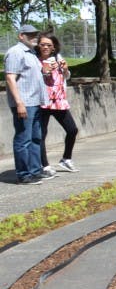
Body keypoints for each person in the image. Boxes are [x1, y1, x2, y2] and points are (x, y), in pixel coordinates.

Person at [5, 24, 51, 184]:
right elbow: (10, 78)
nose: (34, 38)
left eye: (35, 35)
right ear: (21, 36)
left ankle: (35, 170)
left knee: (35, 138)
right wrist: (19, 103)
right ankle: (24, 175)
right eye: (30, 35)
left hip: (35, 102)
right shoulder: (15, 52)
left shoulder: (31, 53)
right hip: (25, 103)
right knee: (23, 139)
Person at [36, 32, 80, 174]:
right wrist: (43, 72)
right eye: (42, 44)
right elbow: (33, 80)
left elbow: (66, 76)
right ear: (38, 46)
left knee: (72, 130)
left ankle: (66, 159)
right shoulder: (34, 60)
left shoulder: (58, 58)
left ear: (54, 47)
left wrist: (66, 69)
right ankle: (45, 165)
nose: (45, 47)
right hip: (43, 102)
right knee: (42, 134)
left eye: (49, 45)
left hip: (59, 101)